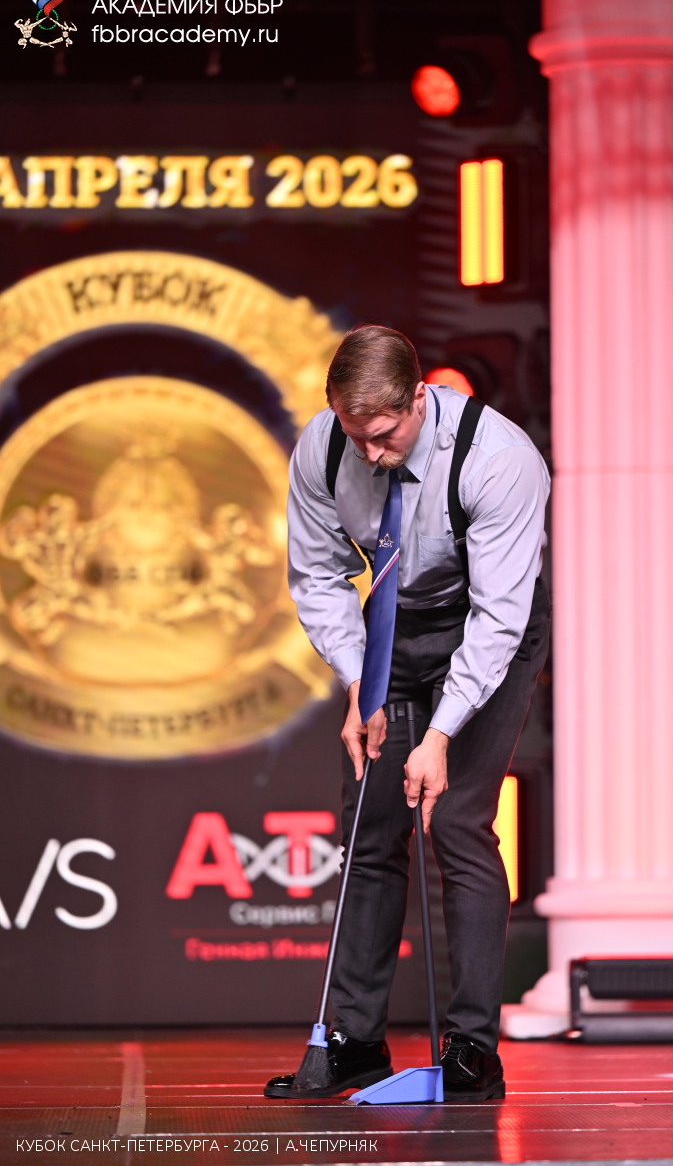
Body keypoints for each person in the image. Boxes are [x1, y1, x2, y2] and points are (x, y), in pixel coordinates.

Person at [265, 325, 550, 1101]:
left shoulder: (499, 460)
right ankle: (355, 1042)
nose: (368, 453)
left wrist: (441, 732)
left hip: (486, 627)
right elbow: (318, 575)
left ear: (419, 399)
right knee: (371, 826)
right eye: (354, 434)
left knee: (456, 822)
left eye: (384, 436)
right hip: (393, 625)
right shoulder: (325, 447)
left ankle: (472, 1052)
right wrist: (361, 683)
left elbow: (498, 619)